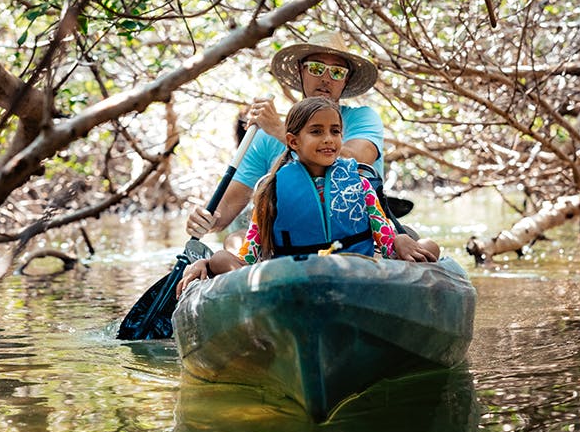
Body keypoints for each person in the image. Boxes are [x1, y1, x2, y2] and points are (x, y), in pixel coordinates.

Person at [185, 31, 437, 262]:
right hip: (290, 251)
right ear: (300, 71)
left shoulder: (363, 118)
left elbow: (355, 158)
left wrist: (278, 129)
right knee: (234, 240)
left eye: (336, 72)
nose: (326, 79)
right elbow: (225, 209)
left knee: (417, 242)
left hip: (357, 246)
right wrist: (205, 220)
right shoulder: (264, 140)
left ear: (346, 80)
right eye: (316, 68)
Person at [176, 98, 440, 296]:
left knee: (429, 247)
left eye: (335, 131)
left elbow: (384, 237)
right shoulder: (270, 191)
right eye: (316, 131)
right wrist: (207, 263)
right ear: (293, 142)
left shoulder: (360, 183)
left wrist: (398, 240)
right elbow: (251, 253)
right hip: (293, 279)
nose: (328, 139)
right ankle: (259, 302)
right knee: (220, 259)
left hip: (357, 273)